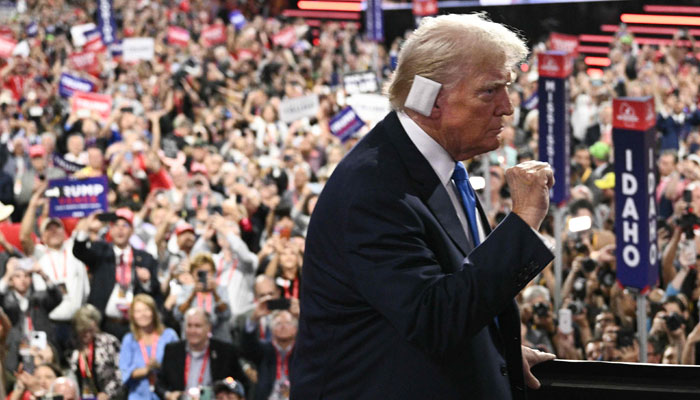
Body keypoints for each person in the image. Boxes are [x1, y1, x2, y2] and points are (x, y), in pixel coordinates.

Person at [291, 14, 556, 400]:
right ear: (429, 99)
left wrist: (491, 352)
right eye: (490, 91)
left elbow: (448, 292)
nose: (507, 107)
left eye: (508, 89)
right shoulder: (375, 190)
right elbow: (433, 318)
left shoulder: (439, 168)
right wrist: (523, 221)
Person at [73, 208, 162, 339]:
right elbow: (79, 252)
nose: (120, 229)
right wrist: (86, 226)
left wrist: (147, 281)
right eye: (116, 225)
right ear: (111, 230)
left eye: (125, 225)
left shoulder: (145, 258)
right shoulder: (100, 250)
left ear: (132, 231)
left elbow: (156, 289)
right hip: (105, 322)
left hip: (135, 325)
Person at [156, 308, 249, 400]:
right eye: (189, 326)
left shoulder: (225, 352)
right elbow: (159, 383)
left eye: (197, 326)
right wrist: (169, 395)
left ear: (208, 328)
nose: (193, 331)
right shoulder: (172, 350)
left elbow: (242, 383)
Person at [119, 294, 178, 400]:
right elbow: (124, 372)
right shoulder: (129, 339)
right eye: (138, 311)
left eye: (147, 309)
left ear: (154, 312)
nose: (143, 315)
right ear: (133, 315)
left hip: (166, 396)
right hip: (138, 396)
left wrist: (160, 367)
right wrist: (147, 370)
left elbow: (179, 367)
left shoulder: (169, 335)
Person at [68, 304, 122, 400]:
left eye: (90, 330)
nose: (87, 334)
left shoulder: (109, 342)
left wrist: (107, 394)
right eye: (83, 330)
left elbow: (121, 372)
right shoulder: (73, 347)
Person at [241, 309, 297, 400]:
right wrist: (254, 319)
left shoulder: (302, 352)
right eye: (278, 324)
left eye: (287, 323)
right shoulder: (264, 350)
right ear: (272, 330)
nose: (283, 327)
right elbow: (247, 347)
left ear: (295, 329)